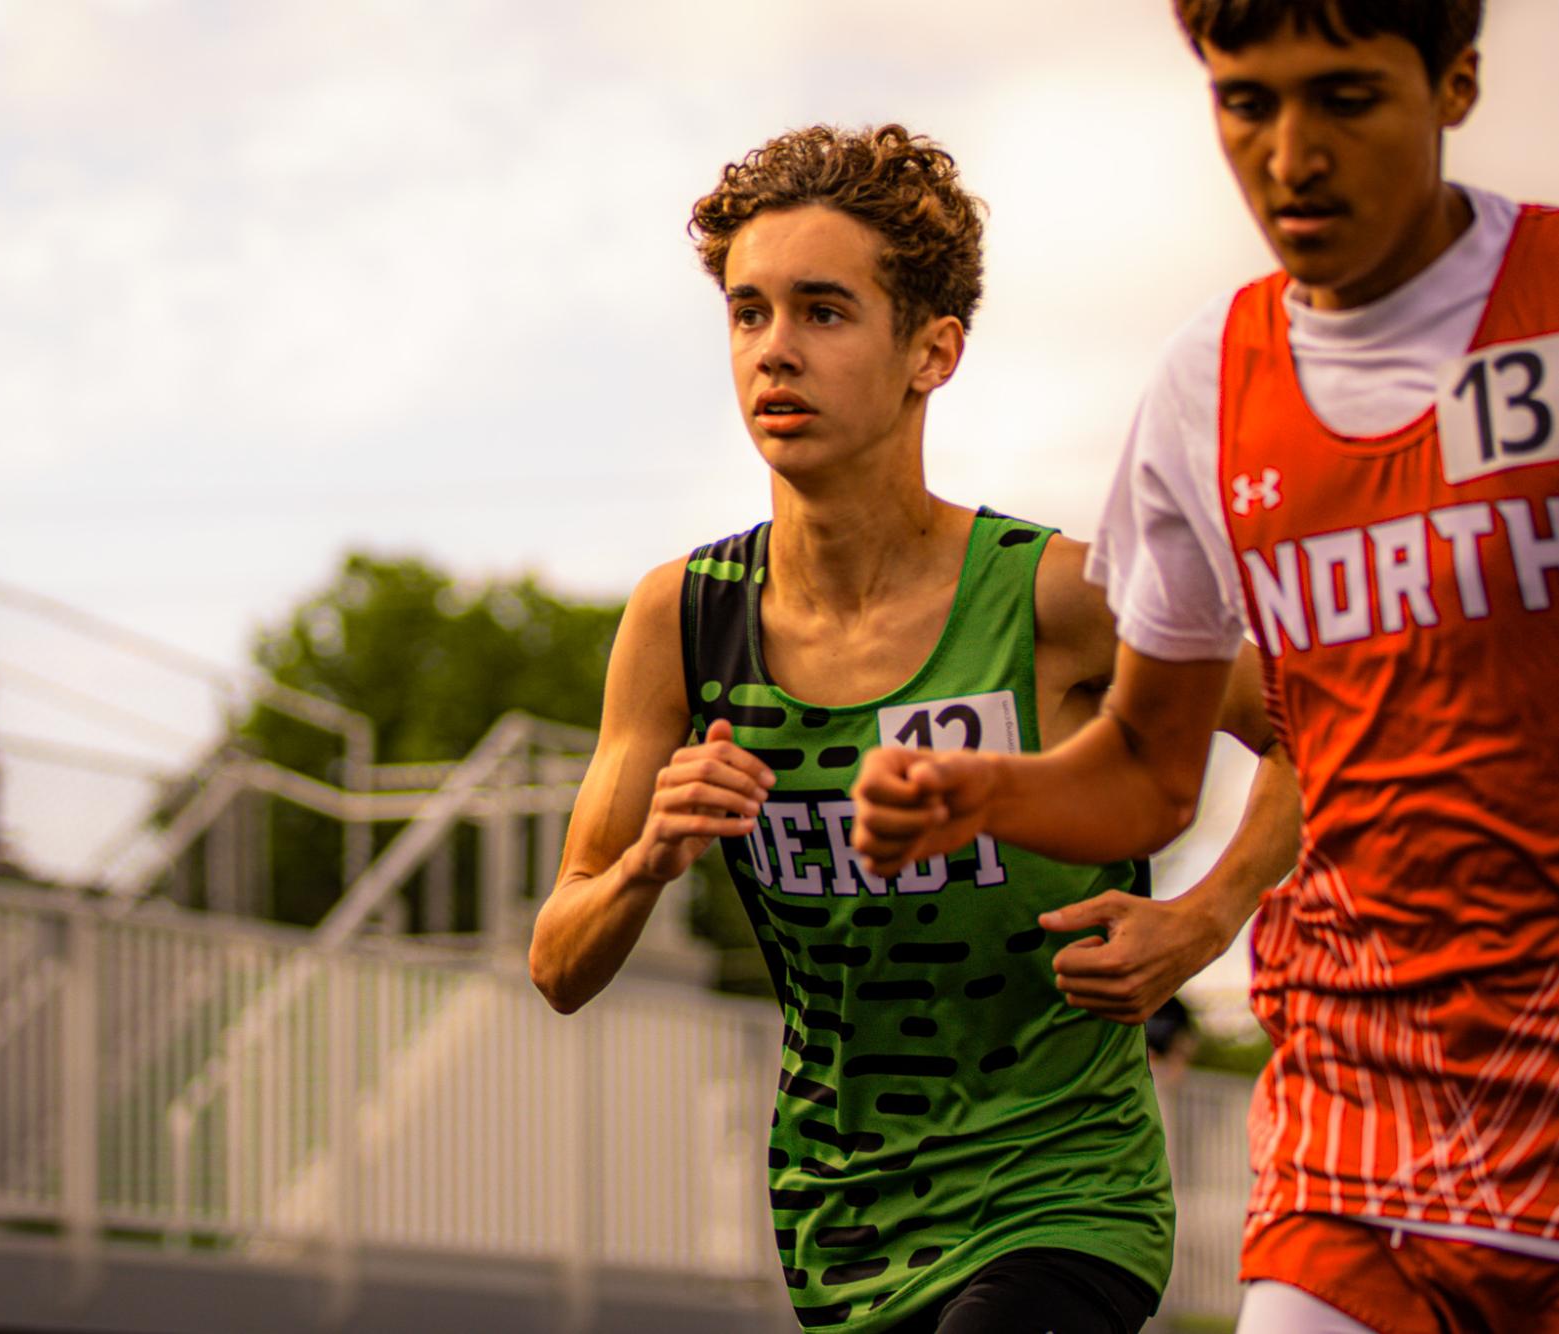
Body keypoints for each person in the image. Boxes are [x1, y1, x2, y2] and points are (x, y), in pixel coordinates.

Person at [850, 3, 1559, 1329]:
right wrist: (988, 793)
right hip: (1359, 1120)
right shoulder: (1203, 385)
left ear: (1454, 84)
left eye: (1343, 99)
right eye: (1249, 102)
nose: (1291, 154)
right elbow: (1144, 771)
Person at [529, 124, 1298, 1333]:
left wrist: (1201, 921)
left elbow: (1332, 728)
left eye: (824, 311)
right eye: (748, 312)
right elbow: (559, 961)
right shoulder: (682, 621)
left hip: (1064, 1199)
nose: (775, 350)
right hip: (846, 1224)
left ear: (930, 349)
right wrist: (645, 860)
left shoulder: (1054, 594)